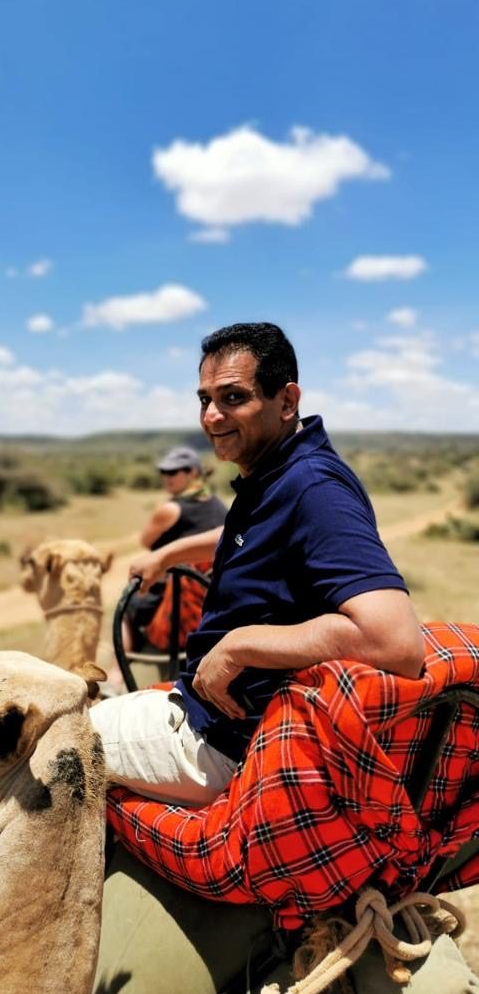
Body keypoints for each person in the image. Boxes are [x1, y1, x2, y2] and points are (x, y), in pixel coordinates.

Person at [90, 322, 424, 807]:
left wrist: (239, 645)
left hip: (221, 742)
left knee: (49, 740)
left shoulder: (314, 489)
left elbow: (395, 641)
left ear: (286, 401)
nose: (211, 416)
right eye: (204, 399)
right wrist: (168, 554)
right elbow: (249, 533)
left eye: (232, 398)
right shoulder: (278, 473)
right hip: (212, 715)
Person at [121, 445, 227, 653]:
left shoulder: (170, 509)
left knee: (126, 605)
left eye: (173, 472)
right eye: (163, 472)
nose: (166, 477)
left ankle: (117, 672)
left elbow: (145, 541)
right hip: (212, 587)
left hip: (180, 590)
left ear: (193, 473)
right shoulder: (217, 503)